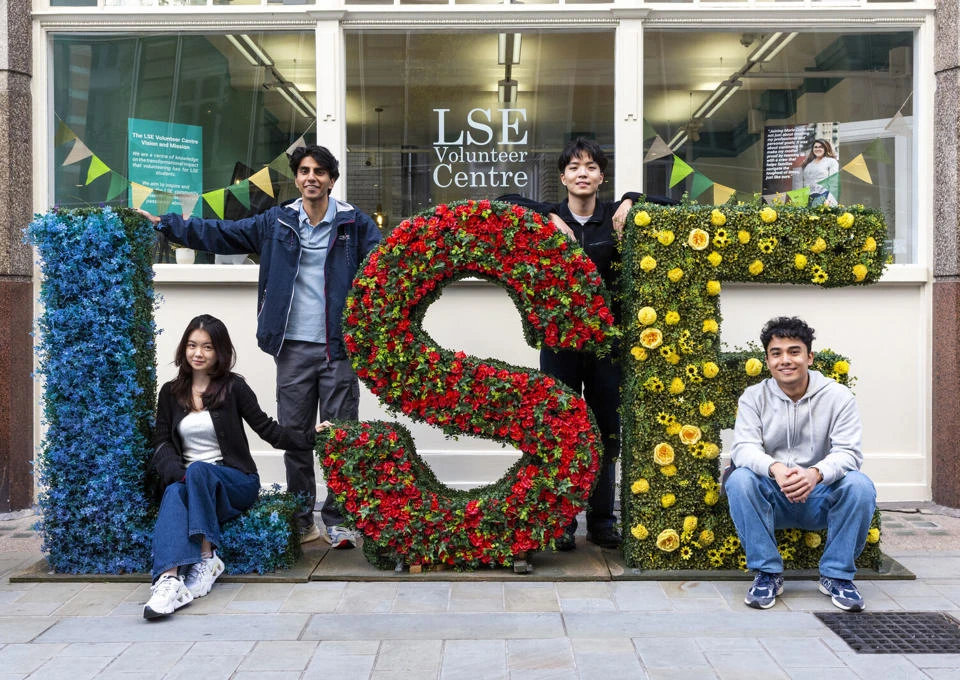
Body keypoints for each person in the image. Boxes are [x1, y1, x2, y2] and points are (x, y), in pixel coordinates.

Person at [139, 145, 382, 548]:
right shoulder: (277, 221)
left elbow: (383, 265)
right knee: (295, 434)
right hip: (291, 346)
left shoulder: (353, 223)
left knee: (341, 436)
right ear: (297, 178)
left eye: (319, 171)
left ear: (331, 179)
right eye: (304, 171)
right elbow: (224, 234)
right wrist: (168, 225)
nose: (311, 177)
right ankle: (302, 518)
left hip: (338, 347)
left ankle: (339, 519)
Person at [500, 137, 657, 551]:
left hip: (607, 350)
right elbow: (503, 202)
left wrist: (631, 199)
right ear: (563, 177)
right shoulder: (549, 218)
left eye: (590, 167)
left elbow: (671, 204)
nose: (582, 173)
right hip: (560, 347)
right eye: (574, 167)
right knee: (561, 431)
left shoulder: (615, 216)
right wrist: (550, 214)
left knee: (606, 432)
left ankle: (602, 520)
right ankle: (563, 521)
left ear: (601, 176)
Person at [144, 314, 324, 620]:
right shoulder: (170, 393)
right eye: (192, 345)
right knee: (175, 490)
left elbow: (268, 429)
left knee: (198, 471)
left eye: (207, 347)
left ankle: (207, 556)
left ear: (220, 352)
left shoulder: (233, 387)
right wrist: (178, 475)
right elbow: (162, 444)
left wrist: (311, 437)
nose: (198, 353)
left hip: (234, 482)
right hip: (191, 481)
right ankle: (169, 580)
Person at [726, 316, 876, 612]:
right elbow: (743, 448)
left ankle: (836, 576)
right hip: (773, 496)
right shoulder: (753, 397)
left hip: (820, 496)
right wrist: (776, 469)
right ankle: (767, 574)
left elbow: (849, 453)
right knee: (739, 479)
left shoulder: (838, 396)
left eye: (794, 351)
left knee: (860, 485)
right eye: (776, 353)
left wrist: (815, 474)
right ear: (767, 360)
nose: (785, 360)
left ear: (809, 357)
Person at [800, 139, 840, 207]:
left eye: (821, 147)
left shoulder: (831, 162)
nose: (818, 149)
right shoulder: (808, 164)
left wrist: (830, 200)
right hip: (808, 199)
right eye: (815, 147)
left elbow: (834, 183)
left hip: (824, 197)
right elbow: (804, 184)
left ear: (826, 148)